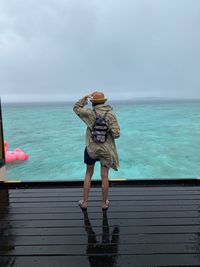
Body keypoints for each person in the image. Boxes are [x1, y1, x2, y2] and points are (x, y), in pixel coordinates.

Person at [73, 91, 120, 210]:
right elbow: (116, 134)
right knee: (104, 176)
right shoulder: (111, 114)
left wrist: (85, 97)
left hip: (91, 148)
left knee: (88, 174)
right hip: (106, 149)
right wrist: (106, 129)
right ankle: (104, 203)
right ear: (104, 101)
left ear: (92, 102)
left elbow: (76, 107)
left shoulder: (89, 113)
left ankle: (84, 203)